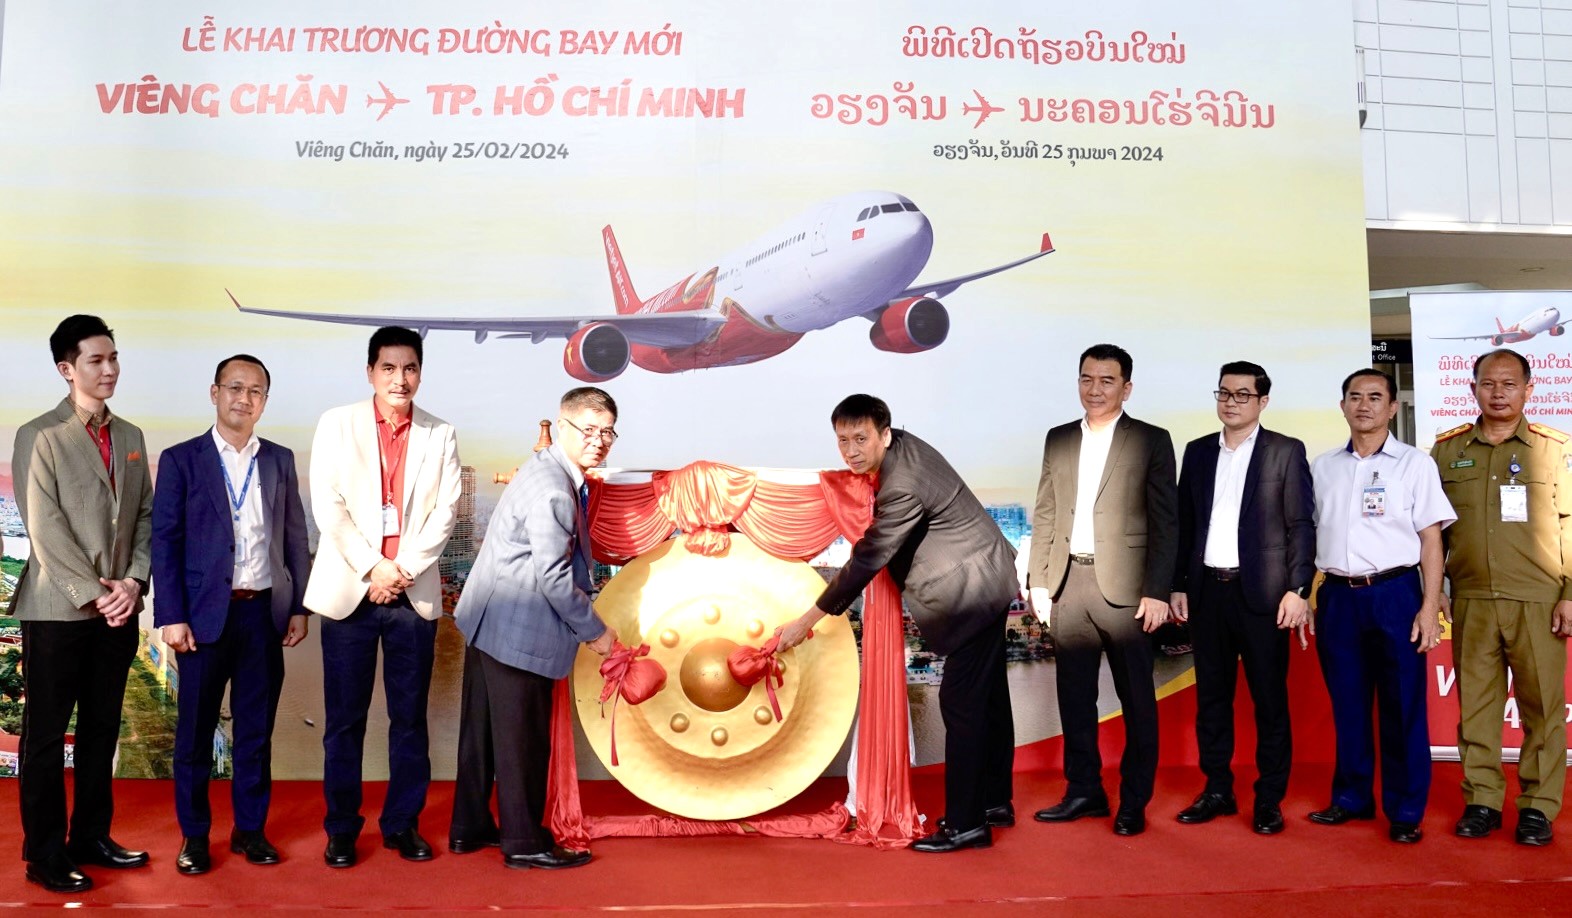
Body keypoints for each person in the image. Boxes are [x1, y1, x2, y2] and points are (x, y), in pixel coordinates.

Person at [777, 395, 1017, 854]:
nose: (851, 451)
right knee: (988, 700)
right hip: (987, 571)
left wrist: (807, 620)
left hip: (971, 589)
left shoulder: (901, 484)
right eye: (843, 440)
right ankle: (993, 802)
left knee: (962, 704)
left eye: (860, 439)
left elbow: (870, 556)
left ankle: (967, 824)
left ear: (884, 434)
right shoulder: (903, 447)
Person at [304, 326, 462, 867]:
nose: (400, 379)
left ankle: (402, 825)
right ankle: (341, 829)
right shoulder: (337, 423)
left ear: (421, 373)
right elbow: (328, 506)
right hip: (351, 593)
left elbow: (445, 512)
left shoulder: (441, 434)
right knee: (344, 722)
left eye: (410, 368)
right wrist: (374, 567)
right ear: (370, 371)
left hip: (411, 598)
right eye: (389, 368)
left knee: (410, 721)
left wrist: (402, 570)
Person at [151, 354, 311, 874]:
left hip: (263, 614)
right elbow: (165, 542)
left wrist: (299, 607)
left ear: (265, 401)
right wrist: (171, 615)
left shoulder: (280, 460)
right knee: (195, 735)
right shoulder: (182, 459)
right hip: (202, 620)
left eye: (256, 391)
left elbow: (294, 538)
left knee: (256, 733)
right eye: (235, 388)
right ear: (215, 392)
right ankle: (195, 836)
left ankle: (250, 830)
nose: (245, 398)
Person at [10, 315, 153, 893]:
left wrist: (133, 583)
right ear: (67, 369)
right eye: (96, 360)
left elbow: (144, 517)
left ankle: (91, 836)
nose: (109, 368)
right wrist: (98, 593)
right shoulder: (39, 435)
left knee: (102, 728)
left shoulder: (132, 437)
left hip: (119, 608)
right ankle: (44, 853)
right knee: (46, 737)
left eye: (113, 357)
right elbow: (44, 528)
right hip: (57, 609)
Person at [449, 387, 618, 869]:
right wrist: (596, 632)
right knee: (523, 742)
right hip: (518, 629)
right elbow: (554, 578)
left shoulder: (543, 466)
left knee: (481, 737)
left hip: (488, 621)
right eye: (588, 430)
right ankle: (524, 842)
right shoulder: (554, 488)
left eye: (608, 432)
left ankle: (469, 827)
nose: (598, 441)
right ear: (562, 426)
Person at [1028, 343, 1177, 837]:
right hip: (1068, 584)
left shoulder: (1151, 439)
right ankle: (1084, 791)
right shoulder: (1058, 439)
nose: (1095, 389)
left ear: (1126, 388)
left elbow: (1166, 521)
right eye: (1087, 379)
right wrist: (1039, 580)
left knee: (1137, 701)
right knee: (1075, 699)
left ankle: (1133, 801)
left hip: (1129, 591)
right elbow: (1046, 511)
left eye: (1107, 380)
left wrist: (1158, 590)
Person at [1431, 348, 1572, 846]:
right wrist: (1435, 589)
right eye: (1488, 384)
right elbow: (1431, 529)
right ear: (1472, 388)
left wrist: (1569, 593)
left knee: (1542, 710)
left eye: (1509, 384)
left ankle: (1537, 807)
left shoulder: (1553, 449)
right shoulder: (1447, 450)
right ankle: (1483, 801)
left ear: (1528, 390)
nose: (1498, 393)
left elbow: (1570, 523)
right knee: (1477, 707)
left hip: (1537, 598)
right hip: (1471, 598)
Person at [1169, 361, 1315, 835]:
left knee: (1269, 701)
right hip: (1207, 593)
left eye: (1242, 395)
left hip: (1264, 597)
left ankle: (1269, 798)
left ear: (1263, 401)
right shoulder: (1197, 452)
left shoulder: (1285, 451)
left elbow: (1301, 525)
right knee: (1212, 700)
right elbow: (1185, 524)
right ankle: (1217, 789)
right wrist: (1177, 583)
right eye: (1224, 393)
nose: (1231, 402)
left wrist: (1298, 589)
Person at [1310, 368, 1453, 844]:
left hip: (1395, 594)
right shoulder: (1323, 467)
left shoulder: (1414, 464)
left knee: (1402, 704)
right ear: (1342, 406)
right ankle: (1352, 797)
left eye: (1375, 397)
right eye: (1355, 396)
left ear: (1392, 407)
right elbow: (1309, 534)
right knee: (1348, 703)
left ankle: (1405, 809)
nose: (1364, 405)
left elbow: (1431, 539)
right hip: (1337, 596)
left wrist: (1429, 605)